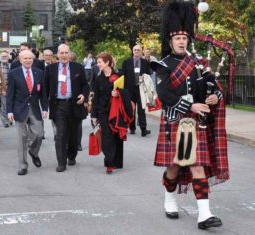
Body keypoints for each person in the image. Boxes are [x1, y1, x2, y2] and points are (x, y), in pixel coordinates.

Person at [151, 1, 229, 230]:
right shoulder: (162, 65)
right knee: (174, 166)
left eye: (185, 38)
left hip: (197, 124)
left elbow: (213, 86)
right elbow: (164, 94)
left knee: (197, 165)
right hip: (178, 122)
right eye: (177, 38)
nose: (182, 41)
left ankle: (204, 214)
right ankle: (169, 198)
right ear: (170, 41)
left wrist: (214, 96)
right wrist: (191, 106)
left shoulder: (199, 64)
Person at [44, 44, 89, 172]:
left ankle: (71, 155)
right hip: (58, 105)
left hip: (74, 104)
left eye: (66, 53)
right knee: (60, 134)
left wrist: (83, 96)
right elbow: (46, 88)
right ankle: (61, 162)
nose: (64, 55)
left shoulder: (78, 67)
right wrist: (45, 106)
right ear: (57, 55)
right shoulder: (51, 69)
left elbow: (85, 85)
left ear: (70, 54)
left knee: (74, 135)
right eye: (61, 53)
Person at [6, 50, 48, 175]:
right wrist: (9, 111)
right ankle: (23, 165)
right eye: (25, 58)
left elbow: (43, 93)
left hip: (35, 109)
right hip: (19, 110)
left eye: (30, 58)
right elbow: (10, 94)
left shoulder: (39, 73)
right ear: (20, 60)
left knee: (39, 134)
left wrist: (45, 108)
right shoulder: (14, 73)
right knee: (21, 139)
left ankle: (33, 152)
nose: (28, 60)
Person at [91, 52, 134, 174]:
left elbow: (127, 92)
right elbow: (96, 98)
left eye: (100, 62)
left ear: (108, 62)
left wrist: (118, 93)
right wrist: (94, 115)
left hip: (117, 111)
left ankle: (117, 162)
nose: (97, 64)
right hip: (103, 111)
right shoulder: (98, 79)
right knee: (107, 137)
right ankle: (109, 163)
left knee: (117, 136)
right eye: (97, 62)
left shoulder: (119, 75)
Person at [121, 44, 151, 136]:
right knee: (131, 109)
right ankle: (132, 128)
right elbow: (123, 76)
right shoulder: (126, 62)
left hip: (141, 89)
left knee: (142, 110)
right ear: (132, 51)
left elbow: (149, 75)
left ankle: (143, 129)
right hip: (129, 90)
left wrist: (144, 76)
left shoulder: (145, 62)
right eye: (135, 50)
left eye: (138, 50)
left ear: (141, 51)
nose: (136, 51)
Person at [0, 51, 12, 127]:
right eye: (3, 56)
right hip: (2, 88)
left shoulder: (11, 66)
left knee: (11, 105)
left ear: (8, 57)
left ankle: (10, 118)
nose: (4, 58)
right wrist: (2, 89)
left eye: (5, 56)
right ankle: (5, 121)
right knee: (4, 105)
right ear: (0, 58)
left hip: (11, 88)